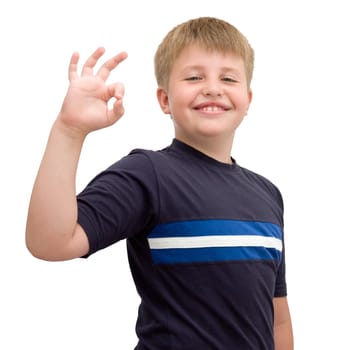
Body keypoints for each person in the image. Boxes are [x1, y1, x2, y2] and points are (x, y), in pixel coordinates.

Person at [26, 16, 293, 350]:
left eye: (228, 78)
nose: (212, 87)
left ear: (248, 100)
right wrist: (69, 130)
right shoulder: (149, 174)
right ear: (164, 99)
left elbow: (277, 316)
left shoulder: (267, 194)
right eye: (194, 77)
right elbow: (51, 242)